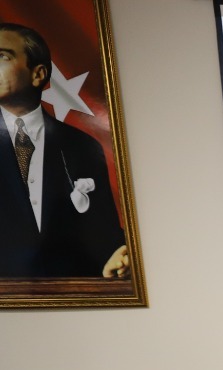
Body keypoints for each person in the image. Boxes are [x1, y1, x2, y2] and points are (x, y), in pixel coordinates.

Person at [0, 22, 130, 279]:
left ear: (38, 74)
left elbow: (103, 234)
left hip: (74, 292)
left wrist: (118, 256)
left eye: (3, 56)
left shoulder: (83, 147)